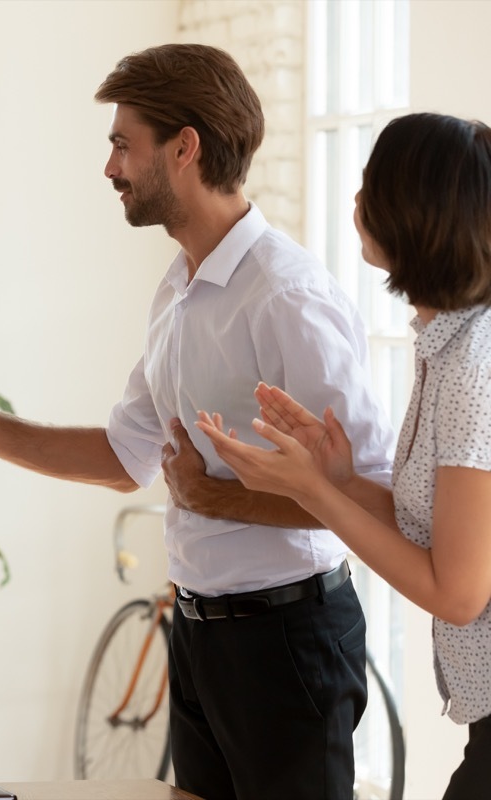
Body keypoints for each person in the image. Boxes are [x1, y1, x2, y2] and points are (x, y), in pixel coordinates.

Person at [0, 44, 396, 800]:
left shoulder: (288, 298)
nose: (110, 167)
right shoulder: (180, 292)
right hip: (200, 636)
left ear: (184, 148)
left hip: (289, 640)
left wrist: (221, 500)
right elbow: (126, 455)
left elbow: (372, 496)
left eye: (124, 143)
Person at [196, 112, 491, 800]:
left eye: (371, 186)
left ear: (417, 212)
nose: (356, 201)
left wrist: (313, 493)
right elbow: (439, 529)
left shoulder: (474, 366)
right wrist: (341, 481)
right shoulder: (445, 346)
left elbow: (458, 591)